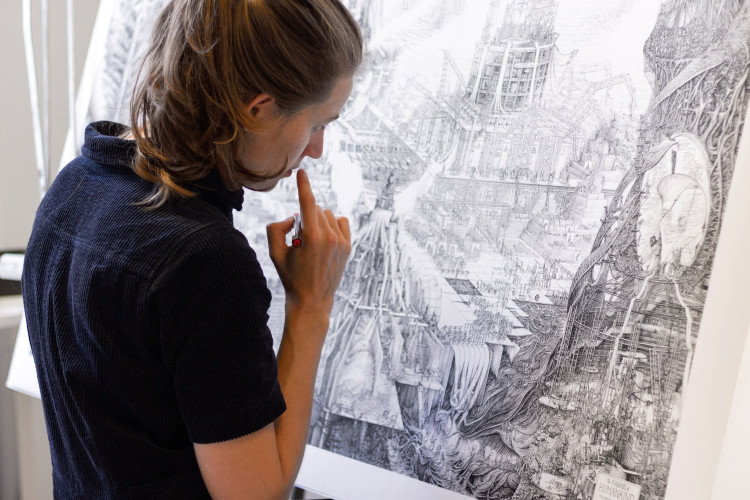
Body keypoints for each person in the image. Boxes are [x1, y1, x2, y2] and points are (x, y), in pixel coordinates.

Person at [21, 0, 363, 498]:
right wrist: (311, 305)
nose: (317, 149)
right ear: (259, 109)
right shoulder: (205, 261)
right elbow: (256, 494)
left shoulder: (72, 187)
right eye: (317, 124)